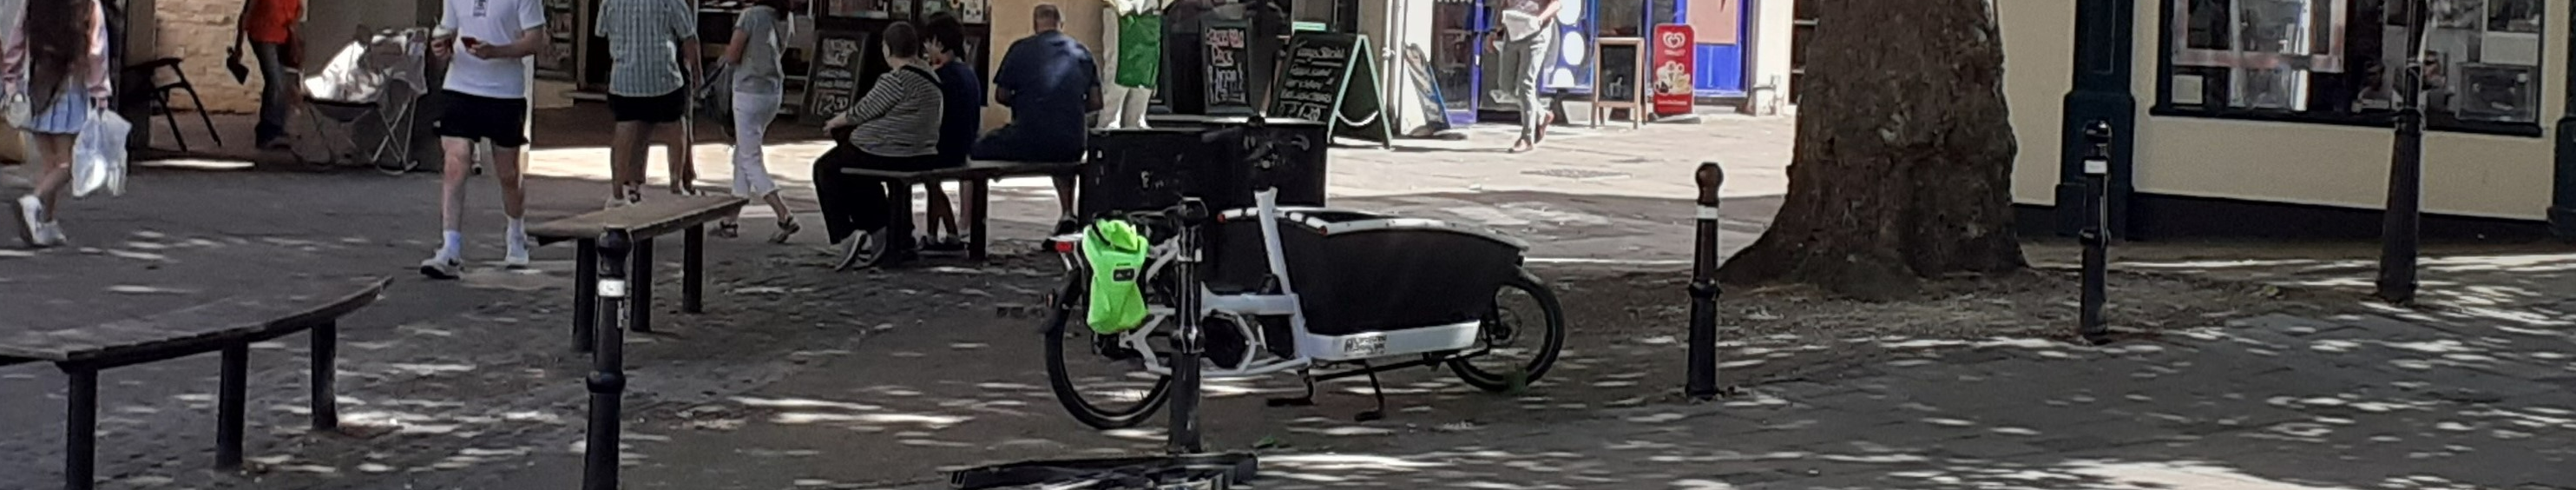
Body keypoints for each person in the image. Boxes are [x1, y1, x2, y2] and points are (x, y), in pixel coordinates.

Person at [417, 0, 548, 278]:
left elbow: (535, 40)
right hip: (460, 86)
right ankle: (450, 247)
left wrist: (497, 52)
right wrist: (440, 47)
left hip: (505, 92)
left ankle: (516, 233)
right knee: (456, 161)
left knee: (508, 172)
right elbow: (447, 29)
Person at [812, 22, 943, 269]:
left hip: (890, 151)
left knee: (826, 168)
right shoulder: (929, 75)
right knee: (858, 174)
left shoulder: (896, 79)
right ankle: (883, 230)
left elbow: (862, 111)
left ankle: (846, 234)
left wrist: (833, 123)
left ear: (886, 49)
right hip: (921, 152)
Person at [973, 3, 1101, 234]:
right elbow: (1096, 102)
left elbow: (1000, 95)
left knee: (973, 151)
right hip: (1071, 143)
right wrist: (1067, 106)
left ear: (1034, 24)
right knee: (1062, 145)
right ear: (1061, 25)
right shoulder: (1082, 52)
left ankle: (967, 225)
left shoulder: (1020, 49)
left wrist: (1026, 104)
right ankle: (1067, 212)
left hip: (1026, 139)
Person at [3, 0, 109, 248]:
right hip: (71, 88)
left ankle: (47, 224)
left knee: (50, 164)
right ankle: (33, 200)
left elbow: (16, 41)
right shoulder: (87, 4)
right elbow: (97, 50)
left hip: (39, 87)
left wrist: (12, 82)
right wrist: (101, 93)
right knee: (68, 164)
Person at [597, 0, 701, 206]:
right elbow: (688, 36)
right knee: (675, 126)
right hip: (663, 76)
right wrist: (697, 73)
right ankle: (676, 184)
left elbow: (602, 32)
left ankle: (619, 191)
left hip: (625, 78)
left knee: (625, 131)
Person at [717, 0, 799, 243]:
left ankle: (784, 214)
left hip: (747, 91)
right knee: (743, 153)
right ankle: (731, 220)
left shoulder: (750, 16)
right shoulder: (785, 17)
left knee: (750, 158)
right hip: (772, 91)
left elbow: (733, 55)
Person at [920, 12, 981, 253]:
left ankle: (950, 232)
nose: (925, 47)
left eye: (928, 42)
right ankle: (934, 234)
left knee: (929, 177)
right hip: (963, 145)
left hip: (945, 148)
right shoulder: (968, 73)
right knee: (930, 181)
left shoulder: (942, 77)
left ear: (938, 43)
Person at [1496, 0, 1562, 153]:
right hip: (1512, 31)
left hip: (1536, 33)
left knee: (1526, 83)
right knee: (1505, 86)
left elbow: (1556, 4)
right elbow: (1504, 3)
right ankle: (1542, 114)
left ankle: (1527, 138)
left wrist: (1540, 18)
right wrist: (1496, 30)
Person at [241, 0, 304, 149]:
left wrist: (294, 32)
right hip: (263, 36)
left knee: (281, 82)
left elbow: (298, 10)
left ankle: (276, 128)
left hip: (283, 38)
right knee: (275, 81)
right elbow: (246, 14)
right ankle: (268, 131)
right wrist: (238, 47)